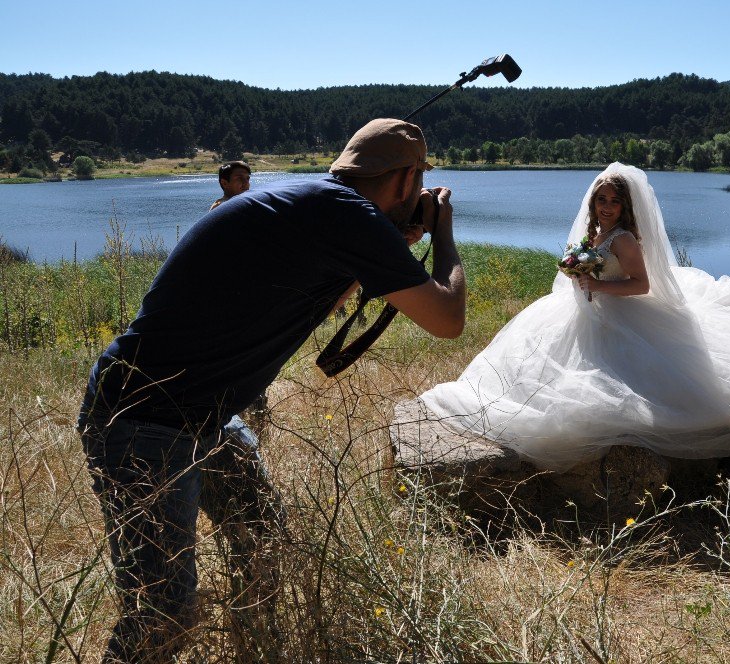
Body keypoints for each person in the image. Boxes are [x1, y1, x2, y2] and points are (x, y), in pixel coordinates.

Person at [78, 118, 465, 662]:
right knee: (162, 615)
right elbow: (448, 318)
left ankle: (255, 651)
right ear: (405, 181)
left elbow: (326, 300)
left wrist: (395, 243)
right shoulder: (344, 214)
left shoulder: (323, 205)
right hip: (144, 420)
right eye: (419, 180)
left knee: (262, 541)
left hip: (201, 415)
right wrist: (443, 230)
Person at [421, 162, 730, 473]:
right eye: (600, 200)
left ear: (625, 205)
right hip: (588, 309)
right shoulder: (597, 233)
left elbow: (641, 285)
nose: (605, 207)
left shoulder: (626, 240)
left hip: (623, 313)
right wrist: (579, 274)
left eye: (613, 201)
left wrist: (595, 285)